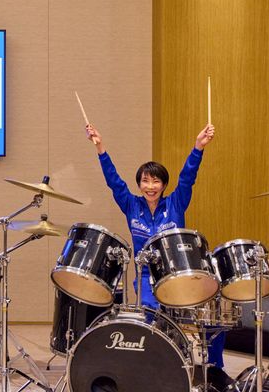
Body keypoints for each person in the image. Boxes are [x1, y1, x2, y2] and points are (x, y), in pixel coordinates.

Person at [86, 122, 231, 388]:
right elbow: (113, 181)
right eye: (145, 180)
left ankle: (214, 371)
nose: (150, 186)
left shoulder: (176, 202)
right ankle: (152, 371)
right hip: (146, 278)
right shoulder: (131, 205)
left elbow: (188, 176)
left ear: (163, 184)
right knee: (150, 317)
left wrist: (198, 147)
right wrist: (100, 148)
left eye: (155, 181)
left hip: (179, 276)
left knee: (212, 319)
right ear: (139, 184)